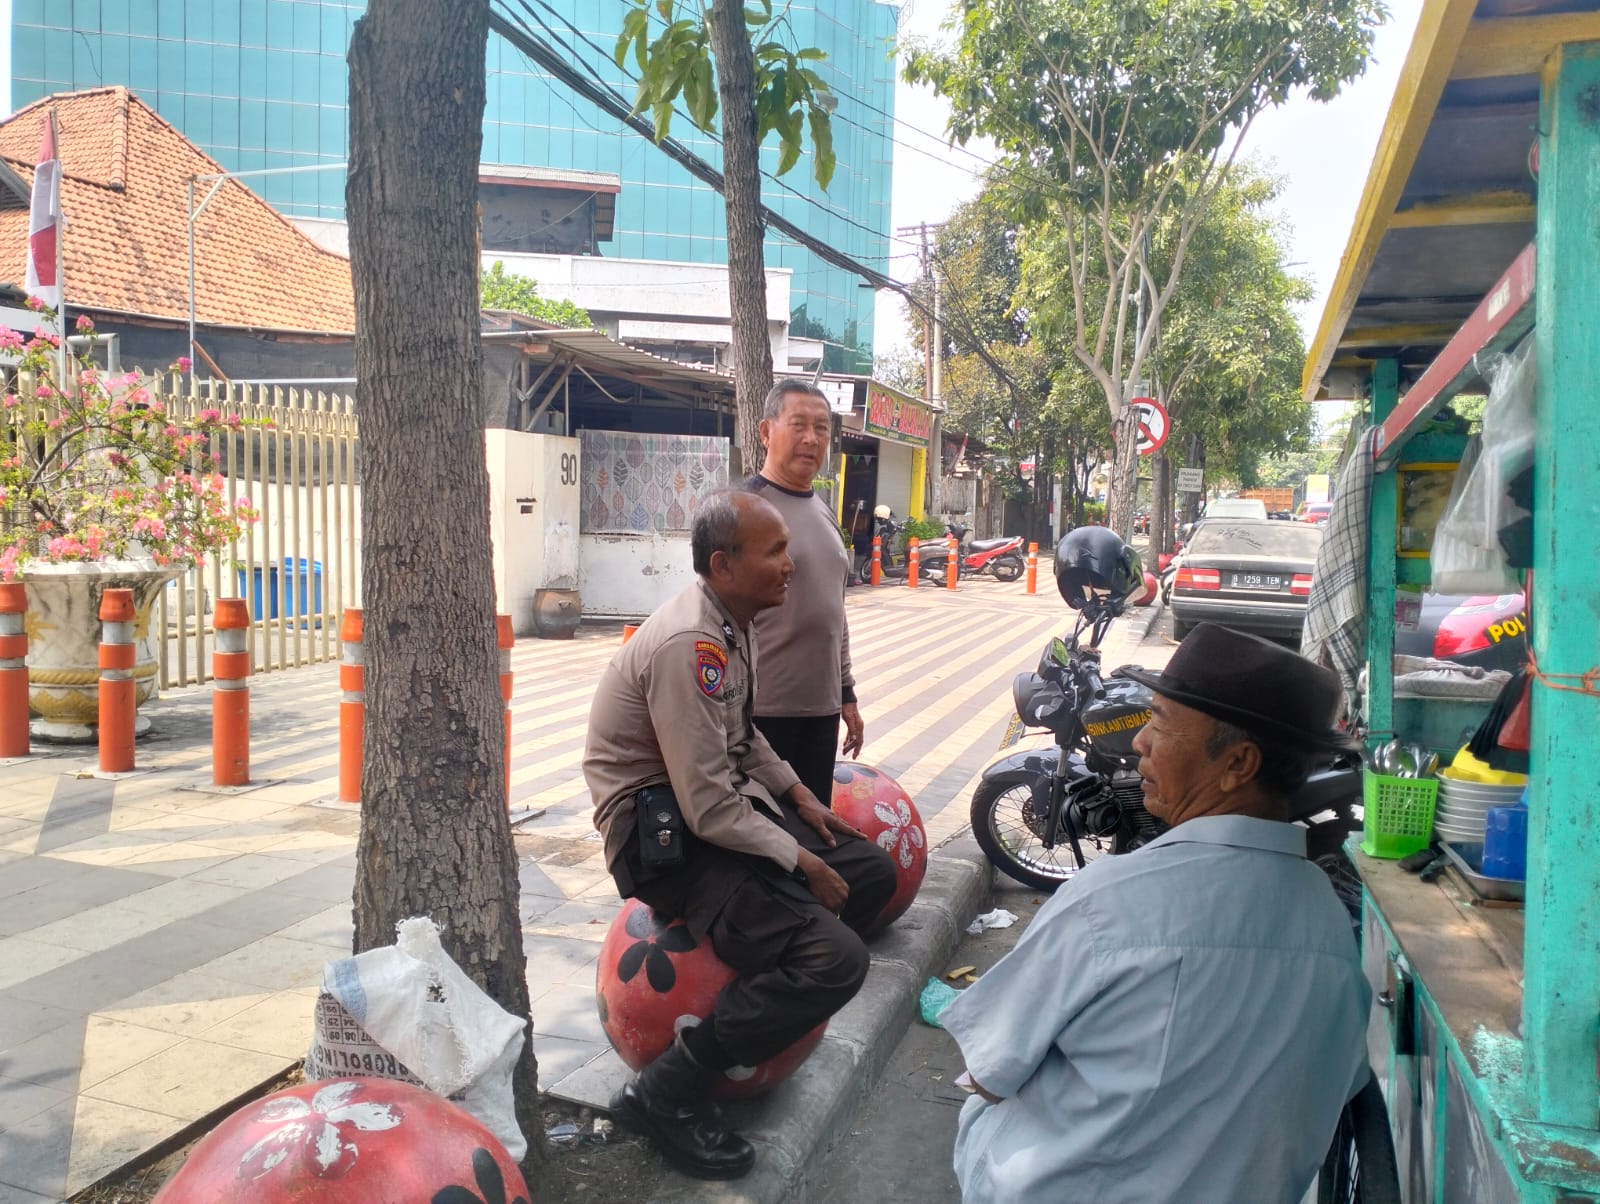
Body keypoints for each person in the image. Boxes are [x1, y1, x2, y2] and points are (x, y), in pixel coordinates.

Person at [942, 621, 1371, 1203]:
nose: (1140, 741)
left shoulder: (1110, 903)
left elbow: (990, 1072)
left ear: (1238, 764)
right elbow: (1338, 1084)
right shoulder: (1332, 926)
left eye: (1161, 723)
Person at [583, 488, 897, 1181]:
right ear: (724, 565)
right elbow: (706, 808)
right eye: (776, 551)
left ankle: (775, 941)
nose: (791, 565)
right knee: (839, 962)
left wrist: (798, 799)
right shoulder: (690, 642)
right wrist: (800, 863)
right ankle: (665, 1091)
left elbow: (741, 733)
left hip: (711, 812)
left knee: (870, 873)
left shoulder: (730, 622)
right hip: (661, 839)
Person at [745, 378, 864, 806]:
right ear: (766, 432)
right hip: (758, 717)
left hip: (821, 712)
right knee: (763, 840)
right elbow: (712, 616)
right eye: (798, 425)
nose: (811, 439)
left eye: (821, 428)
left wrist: (847, 694)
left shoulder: (823, 511)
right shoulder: (744, 510)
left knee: (812, 833)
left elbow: (836, 611)